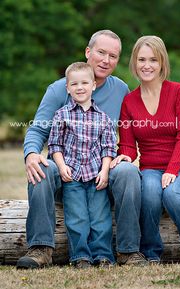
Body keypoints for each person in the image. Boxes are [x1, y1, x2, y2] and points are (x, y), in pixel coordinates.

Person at [16, 30, 147, 269]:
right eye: (101, 52)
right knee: (41, 168)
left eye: (113, 56)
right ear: (88, 52)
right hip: (66, 170)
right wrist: (32, 153)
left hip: (101, 172)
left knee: (128, 171)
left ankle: (129, 251)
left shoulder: (120, 90)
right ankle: (40, 248)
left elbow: (134, 129)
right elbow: (38, 130)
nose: (106, 60)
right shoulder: (60, 89)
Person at [110, 35, 180, 269]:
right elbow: (127, 144)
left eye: (153, 60)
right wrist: (124, 156)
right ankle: (151, 253)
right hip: (150, 168)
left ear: (162, 63)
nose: (147, 65)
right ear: (134, 63)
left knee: (172, 193)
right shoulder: (129, 102)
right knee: (149, 190)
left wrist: (172, 170)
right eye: (141, 59)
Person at [48, 62, 116, 268]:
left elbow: (108, 148)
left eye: (85, 82)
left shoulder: (103, 118)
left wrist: (105, 172)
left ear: (93, 85)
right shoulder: (62, 115)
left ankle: (103, 255)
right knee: (77, 218)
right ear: (67, 88)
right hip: (72, 177)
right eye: (74, 84)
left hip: (96, 176)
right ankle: (81, 256)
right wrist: (61, 167)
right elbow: (54, 145)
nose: (80, 87)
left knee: (100, 218)